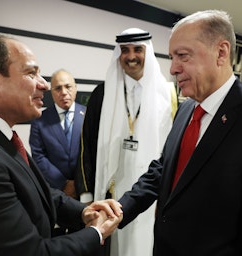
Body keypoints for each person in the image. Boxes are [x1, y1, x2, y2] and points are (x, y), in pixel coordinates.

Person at [118, 10, 242, 256]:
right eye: (172, 57)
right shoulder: (186, 109)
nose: (173, 69)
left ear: (221, 52)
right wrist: (121, 208)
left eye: (183, 56)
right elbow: (164, 169)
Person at [0, 33, 122, 256]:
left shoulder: (5, 138)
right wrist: (96, 232)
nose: (44, 85)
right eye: (31, 73)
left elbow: (36, 190)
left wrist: (84, 210)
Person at [76, 28, 176, 256]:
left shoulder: (167, 94)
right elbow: (86, 146)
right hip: (110, 194)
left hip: (151, 195)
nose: (131, 56)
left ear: (147, 52)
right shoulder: (102, 94)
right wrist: (86, 196)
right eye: (124, 50)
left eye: (137, 49)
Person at [29, 69, 86, 200]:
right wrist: (64, 183)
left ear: (76, 88)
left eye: (68, 87)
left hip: (86, 189)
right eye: (58, 88)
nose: (64, 92)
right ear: (52, 92)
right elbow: (38, 156)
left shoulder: (89, 116)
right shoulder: (39, 120)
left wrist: (80, 183)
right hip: (56, 191)